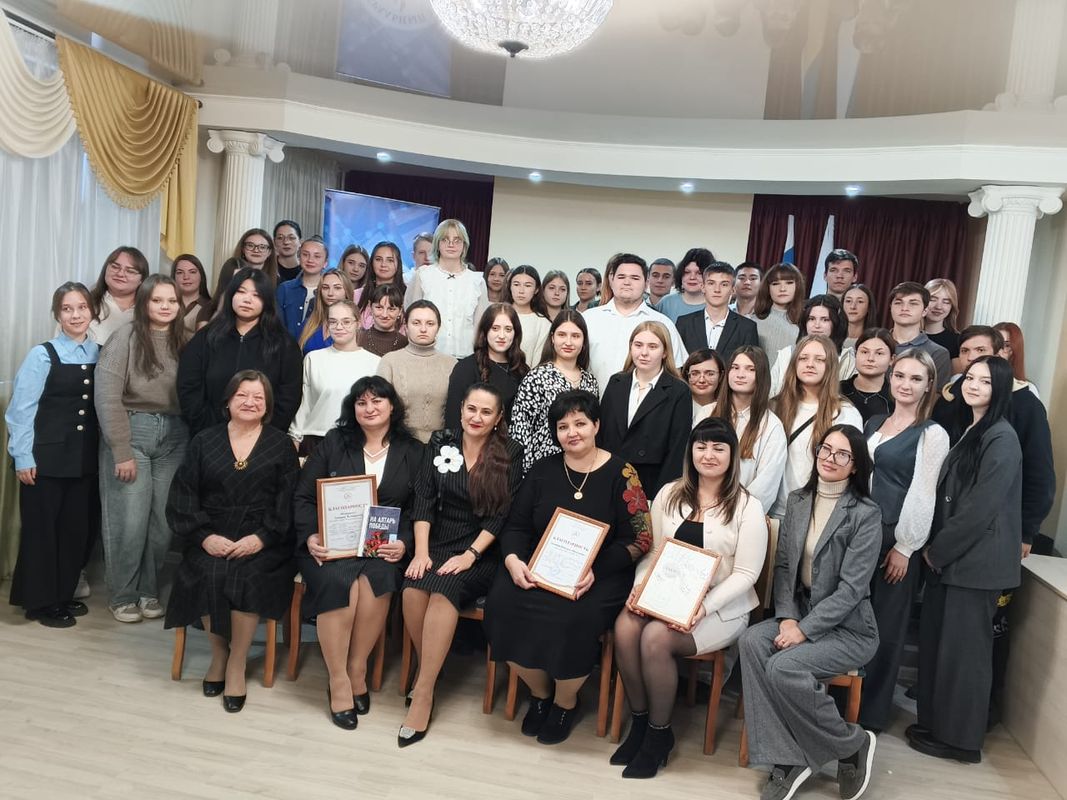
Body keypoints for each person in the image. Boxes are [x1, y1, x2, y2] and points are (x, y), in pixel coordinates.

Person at [486, 390, 653, 746]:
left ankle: (565, 703)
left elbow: (640, 539)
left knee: (573, 618)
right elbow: (516, 526)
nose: (572, 432)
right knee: (501, 604)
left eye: (580, 423)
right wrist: (513, 560)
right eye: (563, 426)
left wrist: (596, 570)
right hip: (539, 567)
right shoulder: (543, 470)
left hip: (599, 575)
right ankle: (540, 693)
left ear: (596, 425)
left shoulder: (623, 473)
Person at [612, 417, 766, 777]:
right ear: (691, 452)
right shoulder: (669, 493)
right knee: (625, 626)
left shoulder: (748, 507)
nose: (708, 455)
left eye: (718, 448)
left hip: (720, 609)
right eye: (701, 446)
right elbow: (652, 552)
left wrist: (703, 606)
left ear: (732, 456)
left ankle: (658, 735)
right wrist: (641, 587)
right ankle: (640, 722)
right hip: (666, 594)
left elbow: (746, 575)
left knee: (655, 638)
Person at [738, 424, 881, 800]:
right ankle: (788, 757)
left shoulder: (865, 514)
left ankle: (852, 743)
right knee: (752, 642)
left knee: (783, 667)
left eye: (842, 454)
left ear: (855, 465)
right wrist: (788, 617)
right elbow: (785, 566)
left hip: (850, 629)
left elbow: (852, 590)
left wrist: (804, 629)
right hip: (799, 614)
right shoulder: (799, 500)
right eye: (825, 449)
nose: (830, 458)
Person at [164, 371, 300, 713]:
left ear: (267, 405)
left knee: (246, 575)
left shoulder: (281, 444)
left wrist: (261, 538)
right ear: (227, 400)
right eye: (242, 395)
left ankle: (237, 662)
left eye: (258, 397)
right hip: (211, 531)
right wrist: (205, 537)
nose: (250, 402)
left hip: (265, 537)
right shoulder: (203, 441)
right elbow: (183, 496)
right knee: (207, 571)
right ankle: (219, 655)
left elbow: (287, 503)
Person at [293, 376, 423, 729]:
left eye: (377, 401)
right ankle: (338, 679)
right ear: (353, 409)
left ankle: (357, 668)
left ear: (392, 406)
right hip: (331, 544)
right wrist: (310, 535)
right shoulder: (335, 443)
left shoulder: (413, 450)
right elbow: (304, 496)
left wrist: (405, 542)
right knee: (340, 581)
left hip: (382, 546)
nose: (370, 408)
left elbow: (419, 508)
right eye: (362, 402)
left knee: (376, 580)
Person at [909, 356, 1022, 763]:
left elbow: (980, 509)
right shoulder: (974, 428)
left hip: (976, 566)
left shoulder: (1002, 437)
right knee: (943, 650)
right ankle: (939, 726)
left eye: (985, 381)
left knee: (966, 656)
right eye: (970, 377)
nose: (973, 385)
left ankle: (961, 741)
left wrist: (937, 551)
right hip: (956, 563)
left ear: (1001, 388)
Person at [400, 382, 524, 746]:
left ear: (498, 418)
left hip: (481, 549)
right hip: (437, 542)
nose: (477, 417)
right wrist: (421, 552)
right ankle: (430, 671)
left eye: (486, 412)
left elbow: (502, 516)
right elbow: (423, 500)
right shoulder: (440, 442)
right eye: (472, 409)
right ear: (461, 409)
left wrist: (470, 555)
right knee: (412, 590)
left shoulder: (510, 451)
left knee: (443, 591)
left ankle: (423, 693)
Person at [858, 349, 948, 733]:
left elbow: (924, 493)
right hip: (861, 535)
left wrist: (906, 547)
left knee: (886, 627)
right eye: (900, 376)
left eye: (915, 378)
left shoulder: (932, 433)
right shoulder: (875, 422)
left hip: (895, 540)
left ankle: (871, 714)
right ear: (890, 378)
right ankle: (845, 700)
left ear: (929, 385)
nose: (905, 384)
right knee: (854, 619)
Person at [96, 275, 188, 624]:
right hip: (132, 432)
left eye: (172, 301)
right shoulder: (126, 338)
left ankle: (148, 590)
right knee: (129, 520)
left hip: (175, 436)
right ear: (144, 302)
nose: (165, 306)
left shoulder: (186, 341)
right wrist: (121, 450)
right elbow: (107, 397)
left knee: (163, 522)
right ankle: (123, 595)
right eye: (157, 300)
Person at [7, 283, 100, 627]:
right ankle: (39, 603)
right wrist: (23, 457)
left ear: (92, 311)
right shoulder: (42, 354)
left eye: (82, 307)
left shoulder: (100, 353)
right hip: (44, 460)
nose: (75, 315)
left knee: (75, 530)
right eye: (67, 308)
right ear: (57, 314)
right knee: (42, 532)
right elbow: (21, 410)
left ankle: (61, 594)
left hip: (84, 460)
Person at [177, 268, 303, 436]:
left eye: (256, 295)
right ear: (231, 295)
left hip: (263, 439)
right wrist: (208, 430)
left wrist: (263, 433)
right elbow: (188, 387)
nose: (247, 300)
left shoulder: (283, 344)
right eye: (241, 292)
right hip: (208, 436)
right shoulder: (206, 337)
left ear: (266, 301)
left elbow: (289, 397)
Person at [771, 335, 863, 518]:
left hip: (815, 514)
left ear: (830, 366)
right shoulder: (774, 406)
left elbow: (848, 467)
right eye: (803, 358)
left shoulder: (844, 413)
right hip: (772, 511)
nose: (810, 364)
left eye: (819, 359)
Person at [597, 322, 690, 498]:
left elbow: (677, 450)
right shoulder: (616, 382)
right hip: (610, 477)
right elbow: (601, 435)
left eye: (652, 346)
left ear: (665, 352)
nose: (644, 352)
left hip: (651, 483)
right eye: (638, 345)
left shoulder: (679, 391)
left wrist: (662, 496)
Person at [510, 310, 600, 473]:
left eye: (575, 336)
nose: (568, 342)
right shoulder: (536, 377)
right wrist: (523, 474)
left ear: (584, 341)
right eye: (562, 335)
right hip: (542, 467)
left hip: (582, 467)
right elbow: (520, 430)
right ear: (552, 338)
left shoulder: (590, 381)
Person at [583, 254, 686, 392]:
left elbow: (675, 372)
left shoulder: (662, 323)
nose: (627, 282)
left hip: (646, 403)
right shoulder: (588, 318)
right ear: (611, 280)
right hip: (591, 401)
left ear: (646, 283)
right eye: (621, 277)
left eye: (635, 278)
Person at [289, 300, 381, 456]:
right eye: (333, 322)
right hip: (316, 439)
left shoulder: (375, 362)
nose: (339, 327)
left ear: (358, 324)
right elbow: (305, 403)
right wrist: (294, 436)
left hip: (359, 440)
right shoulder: (314, 359)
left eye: (346, 322)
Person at [712, 346, 787, 513]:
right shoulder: (706, 414)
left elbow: (766, 486)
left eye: (750, 369)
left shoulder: (772, 426)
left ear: (761, 375)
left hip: (741, 515)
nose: (740, 374)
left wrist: (732, 513)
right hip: (700, 510)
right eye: (735, 367)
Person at [404, 219, 489, 359]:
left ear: (464, 245)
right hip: (427, 355)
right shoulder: (423, 276)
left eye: (457, 240)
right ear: (437, 243)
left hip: (466, 357)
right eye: (445, 239)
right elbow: (412, 315)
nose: (451, 245)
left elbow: (481, 325)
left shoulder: (477, 281)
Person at [377, 300, 457, 443]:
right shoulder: (390, 361)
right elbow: (380, 407)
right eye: (416, 323)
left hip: (442, 446)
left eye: (430, 323)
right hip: (399, 443)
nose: (423, 329)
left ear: (438, 327)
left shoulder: (451, 364)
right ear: (406, 326)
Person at [444, 304, 529, 430]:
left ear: (515, 333)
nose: (502, 335)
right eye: (495, 328)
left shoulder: (522, 371)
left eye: (508, 329)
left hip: (510, 441)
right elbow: (453, 420)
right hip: (469, 440)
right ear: (485, 331)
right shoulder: (465, 368)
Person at [769, 295, 856, 396]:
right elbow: (771, 393)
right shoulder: (787, 354)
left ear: (836, 323)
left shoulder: (847, 359)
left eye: (825, 319)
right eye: (811, 319)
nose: (817, 325)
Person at [676, 261, 759, 362]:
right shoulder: (684, 323)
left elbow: (750, 365)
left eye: (724, 284)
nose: (717, 290)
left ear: (733, 290)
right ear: (703, 287)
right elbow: (676, 364)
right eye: (711, 283)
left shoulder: (747, 327)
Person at [201, 228, 279, 324]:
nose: (256, 250)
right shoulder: (231, 270)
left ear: (269, 252)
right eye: (250, 245)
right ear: (243, 249)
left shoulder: (278, 282)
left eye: (262, 247)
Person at [886, 282, 951, 389]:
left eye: (913, 303)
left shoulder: (938, 353)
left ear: (925, 311)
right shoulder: (875, 343)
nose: (904, 308)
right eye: (898, 303)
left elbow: (936, 395)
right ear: (891, 307)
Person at [87, 246, 149, 345]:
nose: (120, 274)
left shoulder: (150, 311)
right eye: (115, 267)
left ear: (142, 280)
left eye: (130, 271)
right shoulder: (85, 304)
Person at [276, 236, 330, 341]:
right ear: (299, 257)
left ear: (325, 263)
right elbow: (276, 325)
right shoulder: (284, 289)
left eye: (317, 256)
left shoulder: (330, 292)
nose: (310, 260)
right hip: (285, 347)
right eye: (305, 254)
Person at [753, 262, 806, 368]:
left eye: (789, 283)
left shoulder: (807, 321)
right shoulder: (752, 321)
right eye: (775, 284)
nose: (782, 289)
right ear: (768, 288)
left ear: (798, 286)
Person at [840, 328, 895, 424]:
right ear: (856, 354)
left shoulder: (895, 398)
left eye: (879, 353)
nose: (870, 358)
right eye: (864, 352)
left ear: (892, 359)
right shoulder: (836, 390)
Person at [504, 265, 552, 368]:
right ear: (510, 286)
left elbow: (538, 364)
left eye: (528, 285)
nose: (521, 291)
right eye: (516, 284)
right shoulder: (497, 315)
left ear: (536, 289)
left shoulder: (543, 324)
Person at [297, 270, 356, 355]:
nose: (330, 293)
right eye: (325, 288)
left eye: (337, 288)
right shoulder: (307, 325)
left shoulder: (355, 327)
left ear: (347, 292)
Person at [354, 241, 407, 329]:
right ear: (371, 262)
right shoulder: (357, 295)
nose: (383, 265)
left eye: (390, 260)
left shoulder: (408, 296)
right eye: (378, 259)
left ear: (398, 264)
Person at [656, 248, 713, 322]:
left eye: (699, 273)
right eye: (687, 272)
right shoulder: (666, 303)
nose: (692, 277)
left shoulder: (717, 304)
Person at [357, 284, 408, 357]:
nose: (384, 315)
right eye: (379, 308)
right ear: (370, 307)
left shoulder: (406, 345)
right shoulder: (357, 339)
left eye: (391, 309)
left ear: (400, 311)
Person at [923, 278, 962, 371]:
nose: (938, 306)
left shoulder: (957, 341)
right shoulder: (908, 335)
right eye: (932, 299)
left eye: (946, 302)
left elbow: (955, 377)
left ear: (952, 307)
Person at [171, 254, 211, 334]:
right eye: (180, 272)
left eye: (192, 272)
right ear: (174, 277)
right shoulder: (165, 304)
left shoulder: (211, 307)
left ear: (201, 276)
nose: (186, 277)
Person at [683, 348, 724, 422]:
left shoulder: (728, 408)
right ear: (687, 375)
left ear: (721, 376)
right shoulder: (677, 406)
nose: (701, 380)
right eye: (695, 374)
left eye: (710, 374)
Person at [842, 284, 878, 351]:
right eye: (848, 301)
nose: (853, 306)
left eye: (860, 302)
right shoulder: (831, 338)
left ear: (869, 307)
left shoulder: (876, 341)